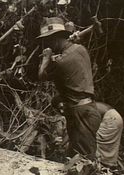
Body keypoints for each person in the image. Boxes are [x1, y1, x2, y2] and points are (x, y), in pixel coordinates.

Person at [37, 17, 101, 160]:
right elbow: (68, 50)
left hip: (80, 114)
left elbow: (42, 76)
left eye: (48, 40)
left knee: (84, 161)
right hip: (88, 110)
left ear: (54, 40)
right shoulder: (81, 49)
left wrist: (45, 60)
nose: (46, 43)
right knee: (76, 156)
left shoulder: (61, 62)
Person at [95, 102, 123, 167]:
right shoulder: (85, 103)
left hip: (110, 118)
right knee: (110, 143)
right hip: (115, 116)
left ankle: (102, 164)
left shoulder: (78, 108)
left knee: (97, 141)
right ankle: (109, 163)